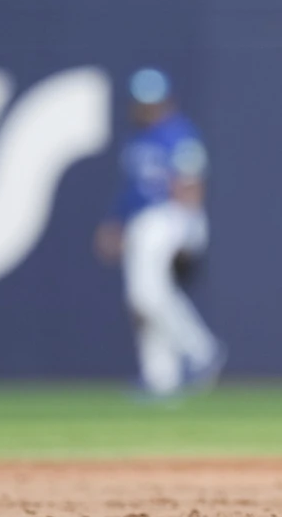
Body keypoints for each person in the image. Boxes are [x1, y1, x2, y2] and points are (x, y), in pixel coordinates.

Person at [94, 69, 224, 398]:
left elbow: (192, 186)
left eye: (151, 102)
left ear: (165, 100)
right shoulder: (138, 139)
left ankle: (201, 351)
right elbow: (132, 190)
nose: (145, 108)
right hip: (143, 222)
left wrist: (188, 231)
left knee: (146, 296)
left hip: (169, 218)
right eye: (140, 102)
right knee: (145, 300)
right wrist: (116, 223)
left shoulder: (180, 134)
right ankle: (160, 376)